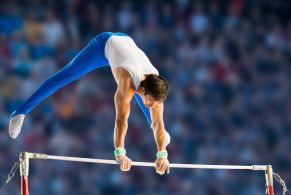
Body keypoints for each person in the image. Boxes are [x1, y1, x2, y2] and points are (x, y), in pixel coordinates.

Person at [9, 32, 170, 175]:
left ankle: (161, 138)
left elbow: (158, 122)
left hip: (125, 45)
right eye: (152, 101)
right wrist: (120, 152)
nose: (154, 105)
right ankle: (20, 112)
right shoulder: (127, 82)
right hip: (103, 46)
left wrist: (162, 154)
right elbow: (121, 120)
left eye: (155, 103)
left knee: (157, 119)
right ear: (144, 90)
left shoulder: (155, 85)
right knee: (65, 76)